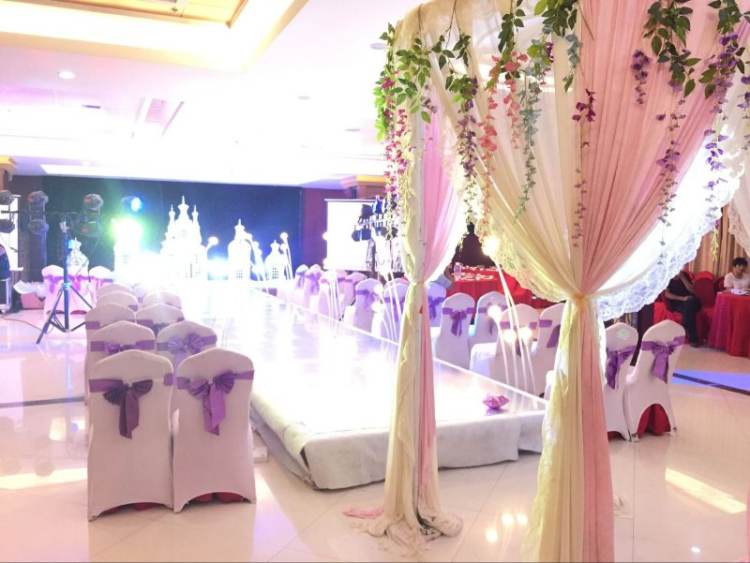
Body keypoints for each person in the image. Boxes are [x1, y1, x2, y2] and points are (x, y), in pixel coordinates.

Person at [664, 268, 700, 347]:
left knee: (690, 303)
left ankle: (685, 324)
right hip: (678, 302)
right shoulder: (668, 277)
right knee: (689, 311)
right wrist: (683, 298)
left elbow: (692, 290)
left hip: (691, 301)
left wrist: (683, 278)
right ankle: (693, 339)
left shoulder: (685, 275)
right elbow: (667, 294)